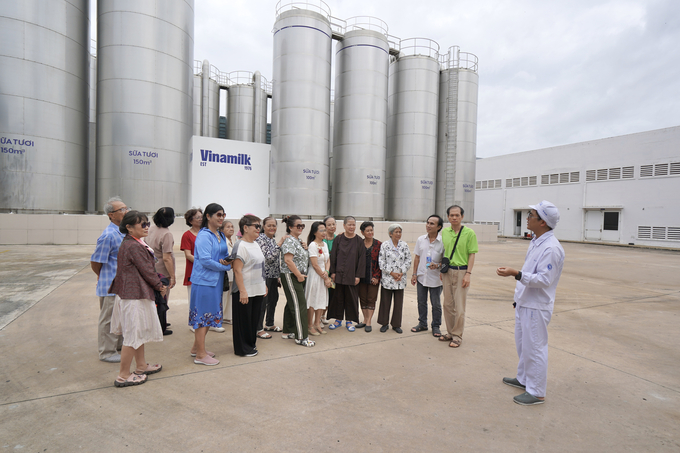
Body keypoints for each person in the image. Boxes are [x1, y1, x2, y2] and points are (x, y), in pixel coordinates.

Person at [497, 201, 565, 406]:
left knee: (535, 347)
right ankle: (524, 379)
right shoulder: (537, 241)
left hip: (537, 306)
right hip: (525, 302)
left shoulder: (552, 248)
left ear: (542, 222)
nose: (527, 217)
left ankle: (537, 392)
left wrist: (515, 274)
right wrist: (518, 298)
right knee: (524, 345)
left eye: (531, 214)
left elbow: (545, 280)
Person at [109, 211, 167, 387]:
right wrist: (159, 286)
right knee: (132, 335)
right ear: (129, 227)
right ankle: (123, 375)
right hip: (133, 296)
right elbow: (147, 271)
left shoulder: (133, 242)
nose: (147, 227)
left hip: (133, 294)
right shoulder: (133, 246)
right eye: (142, 224)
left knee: (137, 333)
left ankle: (141, 366)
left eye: (147, 223)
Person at [189, 203, 231, 365]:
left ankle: (196, 348)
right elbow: (205, 260)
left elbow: (224, 254)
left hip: (216, 281)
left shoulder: (218, 234)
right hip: (204, 281)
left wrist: (227, 260)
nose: (221, 218)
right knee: (202, 317)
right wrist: (225, 266)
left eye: (223, 215)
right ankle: (200, 355)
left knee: (209, 315)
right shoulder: (204, 235)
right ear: (208, 216)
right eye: (218, 215)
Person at [90, 196, 127, 363]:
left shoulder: (123, 231)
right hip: (110, 285)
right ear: (111, 215)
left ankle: (118, 346)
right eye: (122, 210)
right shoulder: (108, 235)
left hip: (122, 285)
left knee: (119, 317)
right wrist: (105, 276)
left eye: (126, 208)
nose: (126, 212)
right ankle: (106, 352)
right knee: (108, 319)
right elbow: (96, 262)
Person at [439, 205, 478, 348]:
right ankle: (450, 332)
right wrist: (441, 271)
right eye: (451, 215)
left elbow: (472, 254)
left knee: (459, 306)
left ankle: (457, 335)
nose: (454, 217)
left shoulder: (469, 233)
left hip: (462, 271)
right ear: (448, 217)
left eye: (457, 215)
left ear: (462, 216)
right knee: (448, 304)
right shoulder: (445, 232)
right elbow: (444, 252)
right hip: (447, 271)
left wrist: (468, 273)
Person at [231, 215, 267, 357]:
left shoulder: (255, 243)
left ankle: (251, 345)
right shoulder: (240, 245)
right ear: (245, 228)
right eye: (256, 226)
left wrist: (264, 285)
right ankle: (242, 349)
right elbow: (237, 270)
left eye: (260, 226)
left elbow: (260, 266)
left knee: (253, 320)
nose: (259, 229)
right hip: (245, 289)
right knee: (243, 321)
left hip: (257, 289)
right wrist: (242, 291)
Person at [279, 215, 315, 347]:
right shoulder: (289, 240)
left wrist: (304, 248)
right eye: (298, 226)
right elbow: (288, 260)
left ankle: (288, 331)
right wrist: (299, 275)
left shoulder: (298, 240)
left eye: (302, 226)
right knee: (300, 305)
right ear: (290, 227)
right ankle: (301, 337)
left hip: (298, 275)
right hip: (291, 275)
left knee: (292, 303)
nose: (301, 228)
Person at [328, 216, 366, 332]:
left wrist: (358, 275)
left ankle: (349, 321)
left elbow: (361, 260)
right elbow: (333, 256)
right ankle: (338, 320)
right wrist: (333, 272)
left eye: (353, 224)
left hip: (352, 275)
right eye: (349, 224)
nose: (351, 227)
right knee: (337, 297)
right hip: (338, 274)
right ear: (344, 226)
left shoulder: (359, 241)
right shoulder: (338, 239)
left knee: (351, 298)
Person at [410, 215, 445, 337]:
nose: (428, 225)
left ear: (439, 227)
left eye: (432, 224)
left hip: (436, 278)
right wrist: (414, 274)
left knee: (436, 304)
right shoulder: (421, 239)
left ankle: (436, 326)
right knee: (421, 302)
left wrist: (437, 265)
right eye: (427, 223)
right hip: (421, 277)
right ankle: (422, 323)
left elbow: (446, 261)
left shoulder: (443, 242)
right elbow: (417, 257)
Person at [146, 207, 176, 335]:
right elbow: (167, 257)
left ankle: (156, 322)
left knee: (154, 299)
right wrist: (172, 276)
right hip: (162, 271)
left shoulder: (151, 229)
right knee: (162, 299)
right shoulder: (166, 234)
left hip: (151, 268)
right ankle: (160, 327)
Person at [378, 224, 412, 334]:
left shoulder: (404, 245)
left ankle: (396, 325)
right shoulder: (385, 245)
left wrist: (401, 272)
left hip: (400, 279)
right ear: (390, 233)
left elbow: (408, 260)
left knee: (398, 303)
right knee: (385, 302)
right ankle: (384, 323)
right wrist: (392, 273)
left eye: (400, 232)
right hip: (388, 278)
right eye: (396, 232)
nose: (398, 234)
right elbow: (381, 261)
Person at [255, 217, 285, 336]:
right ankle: (258, 329)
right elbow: (268, 258)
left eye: (274, 225)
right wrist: (279, 244)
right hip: (264, 276)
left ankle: (269, 323)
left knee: (273, 299)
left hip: (273, 276)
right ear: (263, 226)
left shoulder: (272, 240)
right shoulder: (261, 239)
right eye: (269, 225)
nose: (272, 228)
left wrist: (277, 276)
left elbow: (276, 260)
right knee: (263, 302)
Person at [305, 221, 331, 336]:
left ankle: (317, 323)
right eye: (321, 230)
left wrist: (327, 272)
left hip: (323, 274)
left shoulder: (324, 244)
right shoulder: (312, 245)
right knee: (312, 299)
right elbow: (315, 264)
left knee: (321, 299)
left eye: (324, 230)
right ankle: (309, 325)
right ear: (315, 232)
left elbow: (328, 260)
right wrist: (324, 276)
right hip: (315, 276)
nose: (324, 232)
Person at [355, 221, 381, 333]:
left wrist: (377, 276)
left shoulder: (379, 244)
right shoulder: (359, 243)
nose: (370, 232)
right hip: (361, 276)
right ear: (362, 232)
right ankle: (364, 320)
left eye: (371, 230)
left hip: (373, 276)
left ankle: (369, 321)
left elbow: (382, 262)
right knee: (363, 299)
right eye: (368, 231)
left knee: (371, 299)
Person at [180, 208, 202, 332]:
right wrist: (203, 263)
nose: (200, 219)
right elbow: (188, 255)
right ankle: (193, 323)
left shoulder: (206, 232)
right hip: (193, 270)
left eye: (201, 216)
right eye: (197, 217)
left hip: (206, 270)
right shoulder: (187, 235)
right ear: (190, 220)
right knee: (193, 297)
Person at [321, 216, 337, 325]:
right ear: (325, 226)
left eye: (333, 224)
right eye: (329, 225)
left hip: (334, 271)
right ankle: (318, 317)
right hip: (323, 271)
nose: (332, 227)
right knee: (322, 294)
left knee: (331, 294)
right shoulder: (321, 239)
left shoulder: (338, 238)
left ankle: (323, 316)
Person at [220, 220, 236, 328]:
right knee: (223, 296)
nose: (231, 229)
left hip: (232, 272)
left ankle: (227, 317)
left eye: (232, 227)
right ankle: (219, 317)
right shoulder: (222, 242)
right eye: (228, 227)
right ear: (222, 230)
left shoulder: (232, 240)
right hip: (225, 272)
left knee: (230, 296)